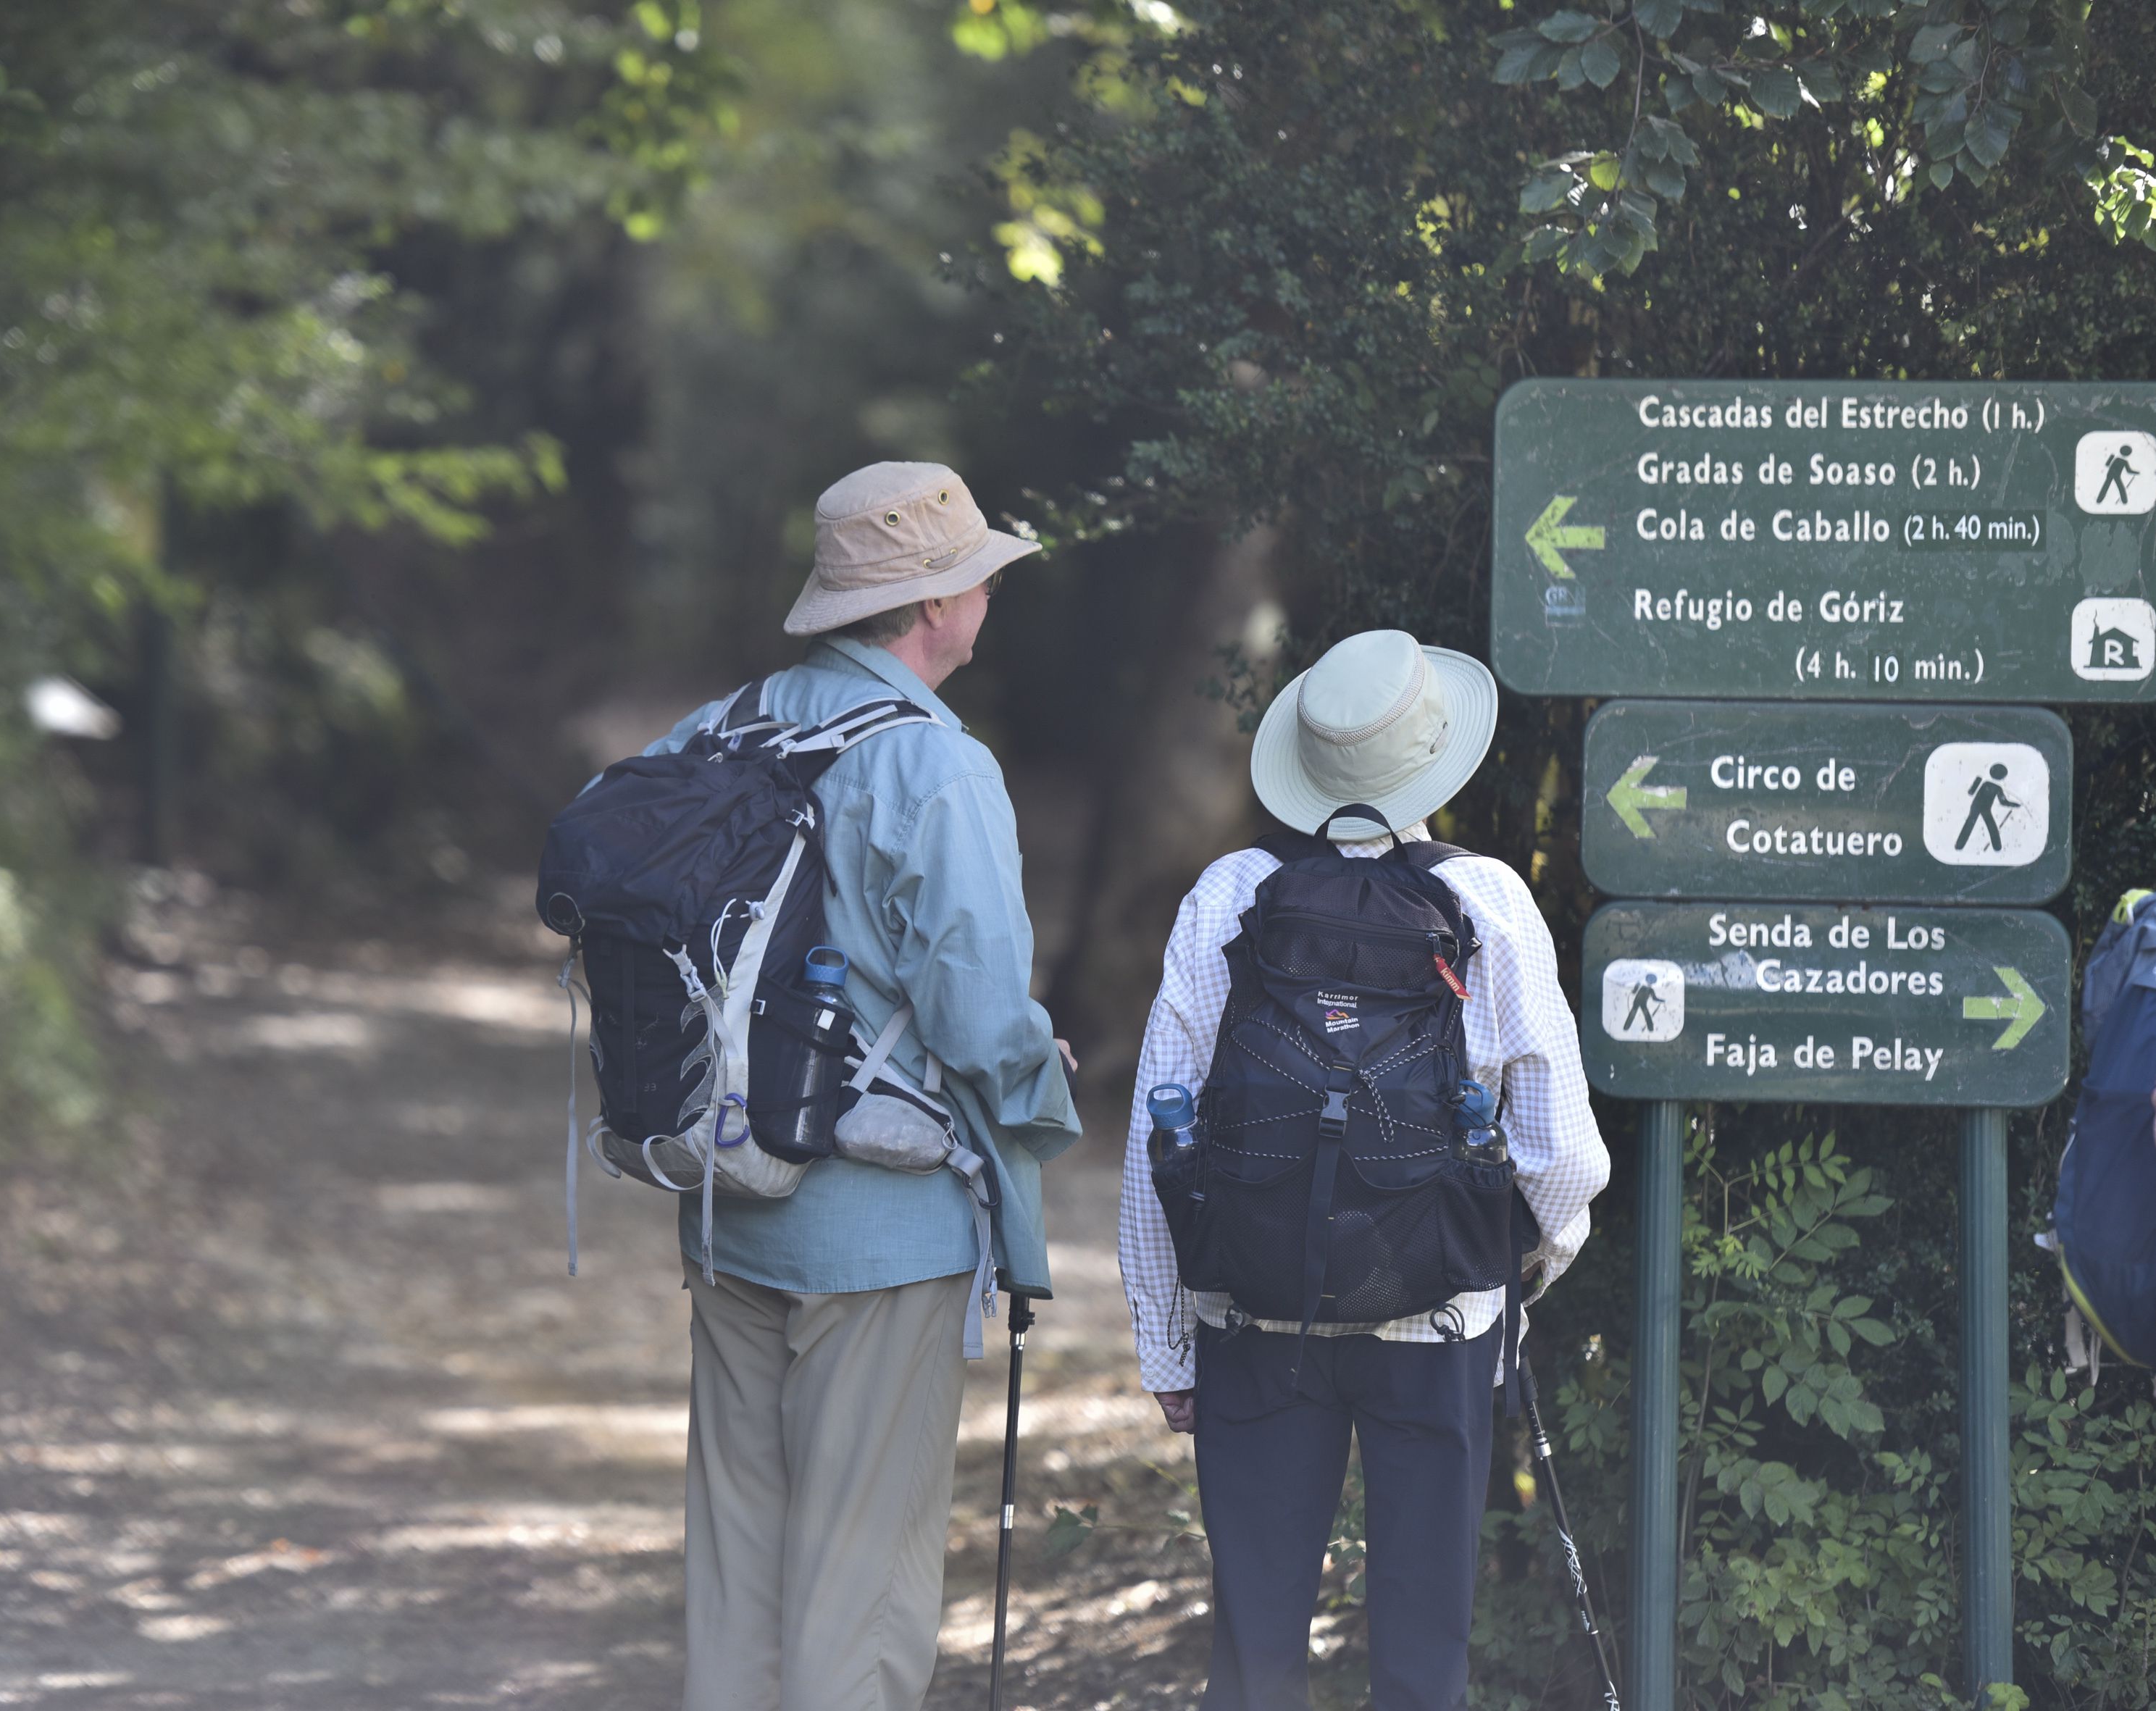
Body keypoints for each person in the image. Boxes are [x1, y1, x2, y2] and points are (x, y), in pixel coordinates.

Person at [639, 461, 1081, 1711]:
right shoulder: (936, 769)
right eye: (978, 573)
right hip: (883, 1226)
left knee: (740, 1549)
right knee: (863, 1569)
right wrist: (1046, 1101)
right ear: (938, 606)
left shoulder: (726, 726)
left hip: (727, 1184)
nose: (987, 591)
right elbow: (982, 1015)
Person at [1117, 629, 1611, 1710]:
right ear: (1433, 758)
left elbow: (1160, 1130)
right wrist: (1512, 1274)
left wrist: (1165, 1335)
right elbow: (1564, 1155)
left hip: (1250, 1316)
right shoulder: (1486, 903)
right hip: (1434, 1326)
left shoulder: (1229, 894)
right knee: (1425, 1650)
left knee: (1253, 1646)